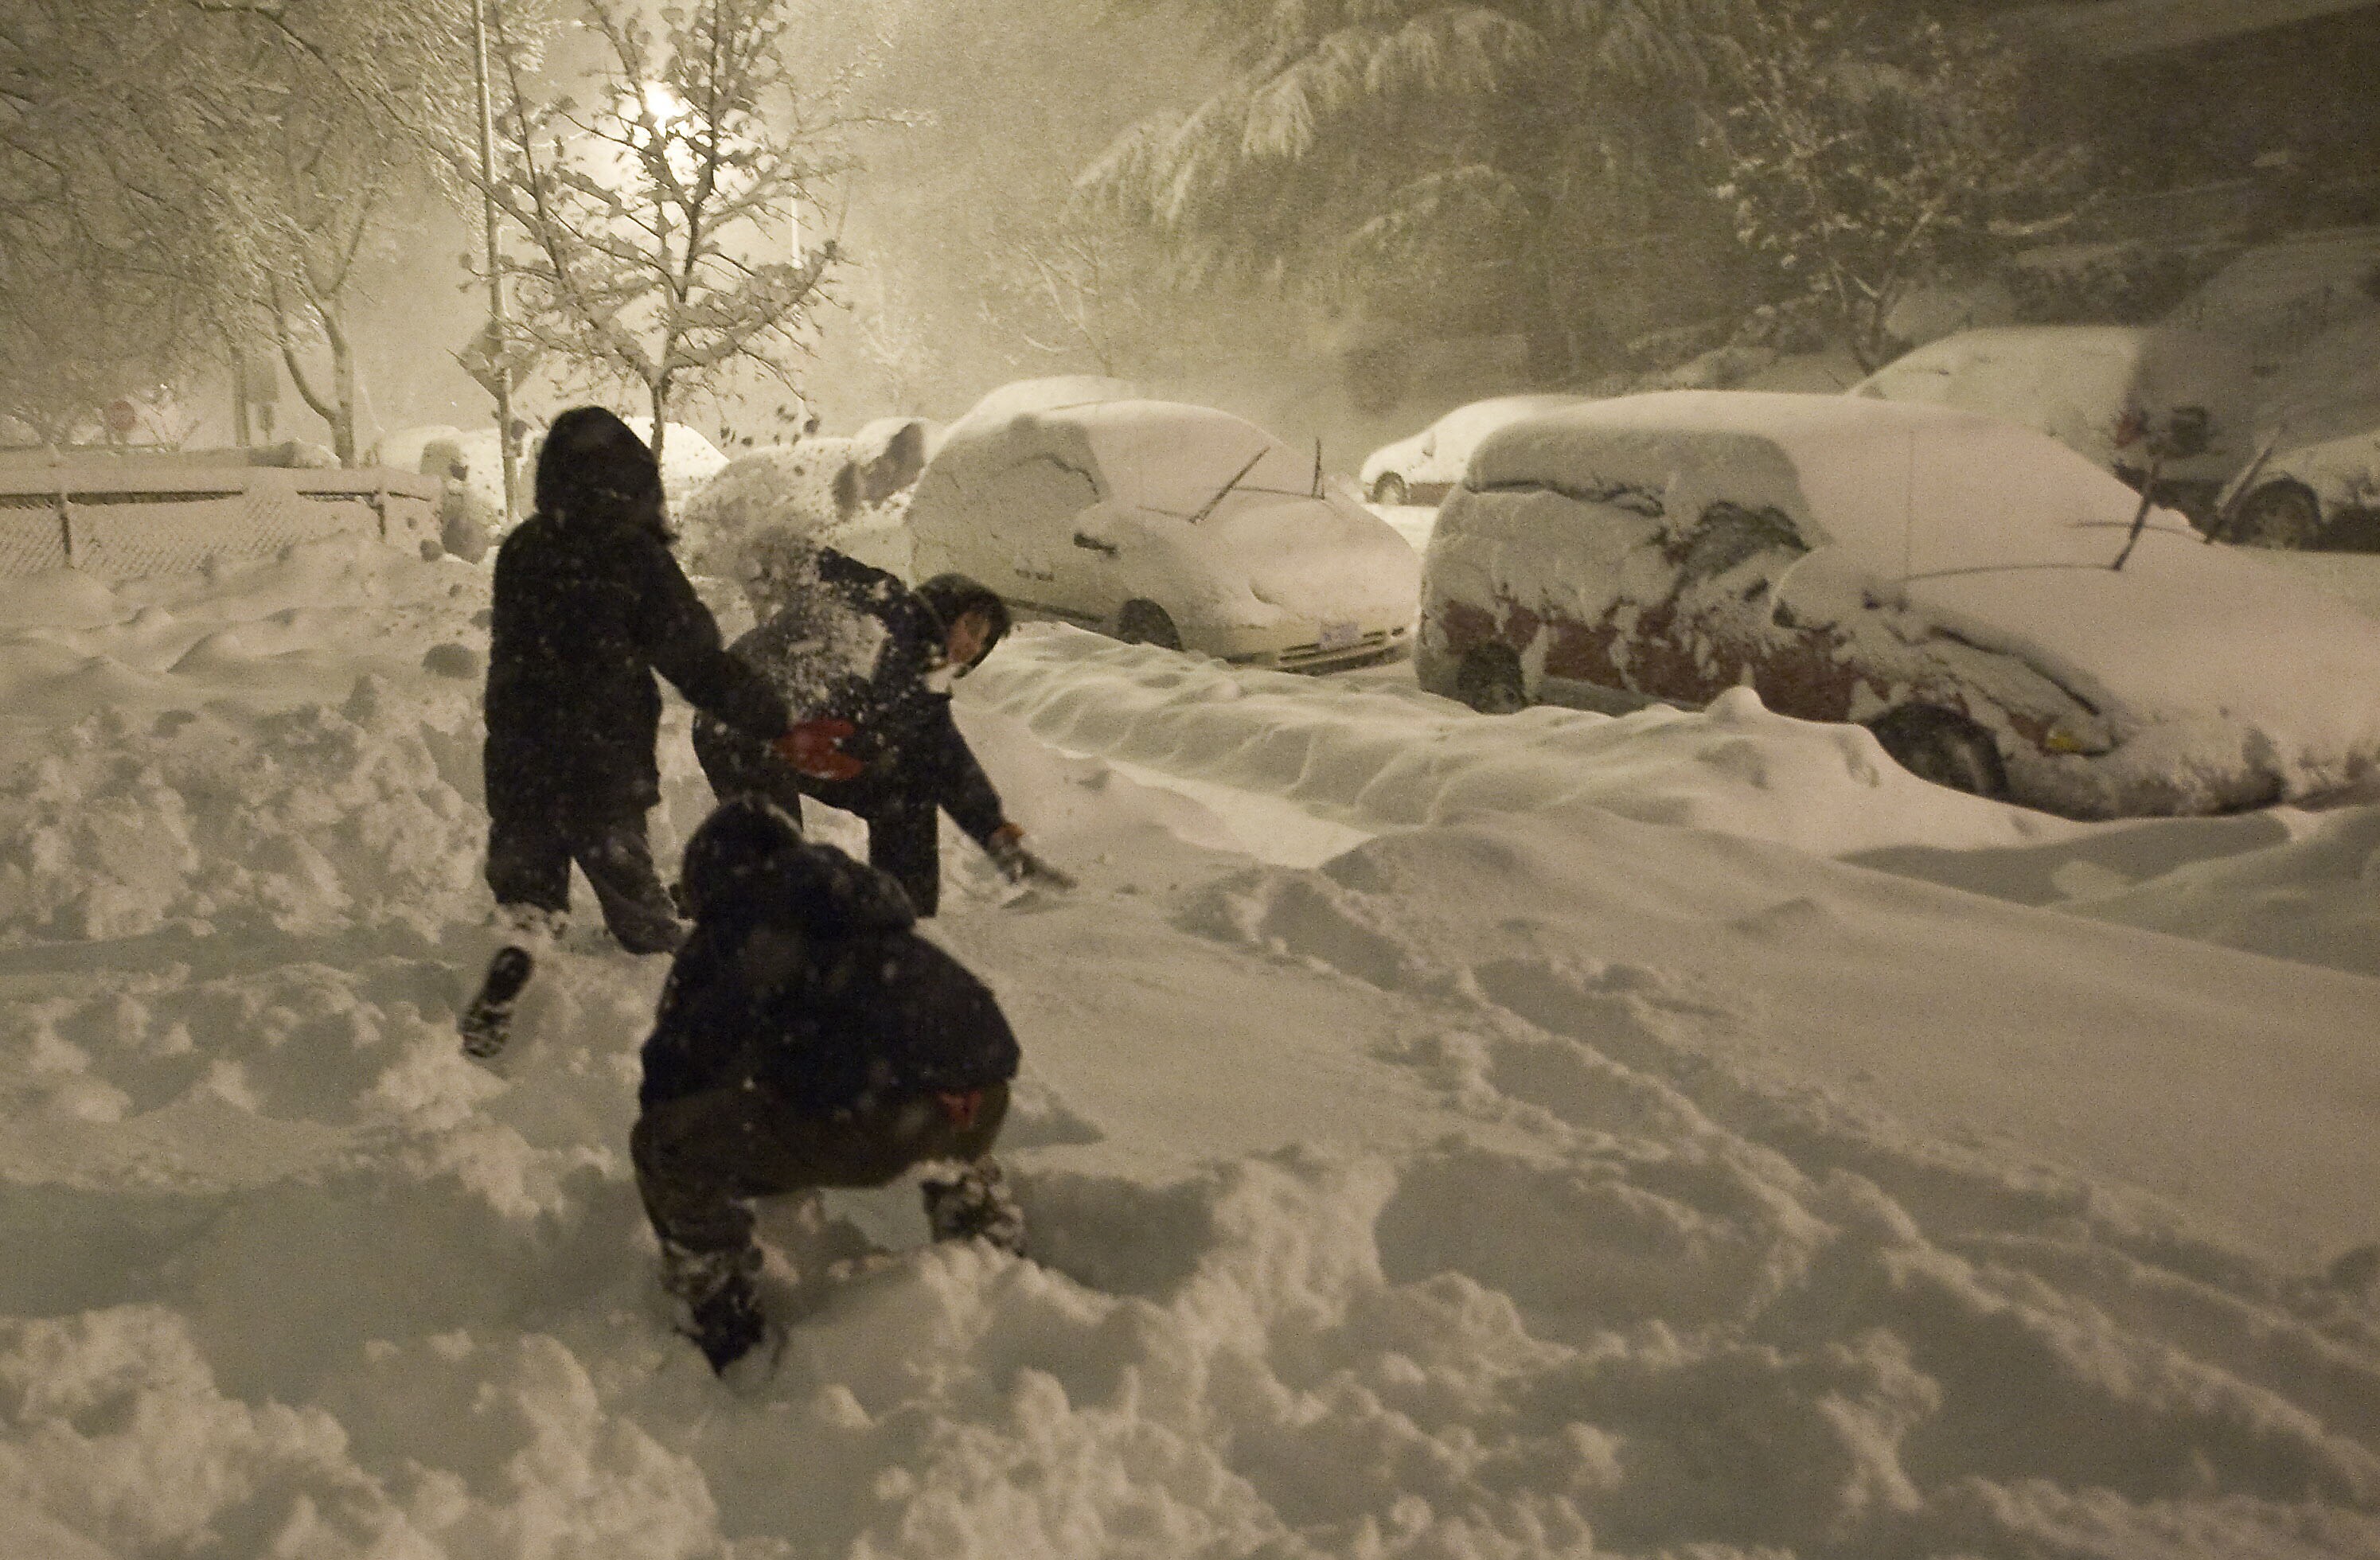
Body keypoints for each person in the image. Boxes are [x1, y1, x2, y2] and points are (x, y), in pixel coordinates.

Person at [459, 407, 810, 1061]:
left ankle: (520, 948)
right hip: (602, 767)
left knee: (529, 891)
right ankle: (675, 1005)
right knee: (640, 915)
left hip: (518, 760)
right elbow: (696, 660)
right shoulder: (633, 557)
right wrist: (772, 720)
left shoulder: (523, 549)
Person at [631, 794, 1026, 1373]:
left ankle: (722, 1313)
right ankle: (983, 1227)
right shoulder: (859, 910)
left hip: (882, 1119)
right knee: (918, 1095)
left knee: (664, 1143)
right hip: (984, 1095)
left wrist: (705, 1156)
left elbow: (678, 1064)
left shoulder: (740, 921)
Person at [691, 529, 1067, 917]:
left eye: (983, 642)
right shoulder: (886, 602)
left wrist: (995, 833)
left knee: (907, 793)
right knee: (781, 863)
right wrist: (762, 549)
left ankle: (904, 915)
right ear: (945, 608)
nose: (973, 646)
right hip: (741, 724)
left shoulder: (923, 690)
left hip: (810, 746)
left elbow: (948, 762)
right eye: (971, 627)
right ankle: (717, 904)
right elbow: (810, 560)